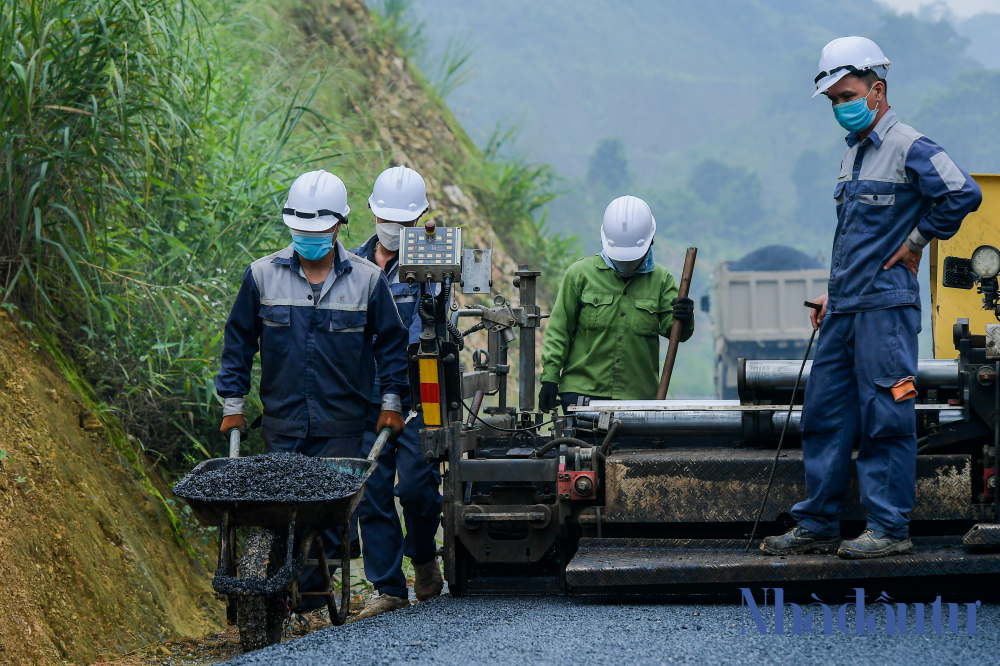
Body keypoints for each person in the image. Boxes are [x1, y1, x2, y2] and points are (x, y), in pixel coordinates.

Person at [762, 37, 982, 559]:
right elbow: (858, 240)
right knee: (823, 415)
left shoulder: (911, 146)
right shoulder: (852, 156)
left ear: (877, 91)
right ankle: (817, 523)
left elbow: (963, 192)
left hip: (886, 309)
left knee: (887, 413)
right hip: (845, 307)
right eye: (834, 99)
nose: (841, 106)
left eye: (848, 94)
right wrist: (831, 293)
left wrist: (916, 242)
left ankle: (888, 529)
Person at [215, 169, 409, 607]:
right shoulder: (262, 276)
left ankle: (307, 593)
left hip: (342, 426)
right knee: (281, 510)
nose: (309, 239)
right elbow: (238, 342)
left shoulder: (367, 281)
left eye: (318, 231)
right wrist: (232, 403)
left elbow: (393, 344)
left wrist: (392, 401)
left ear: (339, 225)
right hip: (282, 424)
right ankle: (277, 593)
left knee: (327, 513)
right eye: (301, 231)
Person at [349, 166, 445, 619]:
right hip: (365, 395)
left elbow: (424, 326)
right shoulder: (350, 265)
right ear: (371, 211)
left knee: (420, 488)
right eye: (387, 217)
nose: (394, 228)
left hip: (418, 396)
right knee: (371, 489)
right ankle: (388, 586)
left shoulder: (431, 265)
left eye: (405, 221)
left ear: (422, 218)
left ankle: (423, 555)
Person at [539, 195, 694, 412]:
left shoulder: (661, 280)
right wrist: (550, 378)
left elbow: (676, 332)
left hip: (638, 399)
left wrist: (684, 318)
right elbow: (559, 331)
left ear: (651, 240)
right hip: (582, 395)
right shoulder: (579, 275)